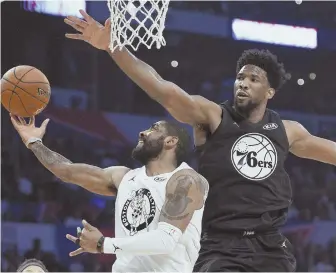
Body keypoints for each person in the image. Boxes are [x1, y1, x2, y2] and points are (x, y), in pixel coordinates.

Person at [64, 10, 336, 272]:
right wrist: (114, 47)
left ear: (270, 91)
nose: (243, 83)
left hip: (270, 245)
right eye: (240, 77)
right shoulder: (213, 116)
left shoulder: (288, 131)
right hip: (220, 245)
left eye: (253, 79)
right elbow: (162, 90)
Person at [10, 115, 208, 272]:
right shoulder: (123, 177)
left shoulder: (186, 180)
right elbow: (67, 171)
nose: (142, 132)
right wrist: (34, 142)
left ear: (171, 141)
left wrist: (103, 244)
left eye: (154, 129)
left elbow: (165, 241)